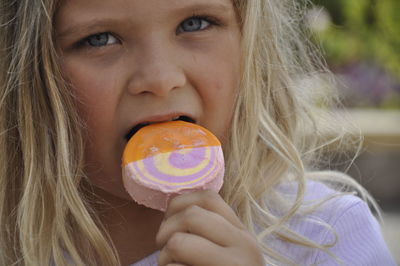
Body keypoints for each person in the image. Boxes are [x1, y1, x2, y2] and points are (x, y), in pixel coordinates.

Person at [0, 0, 396, 265]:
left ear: (250, 45)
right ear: (28, 77)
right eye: (100, 39)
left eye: (194, 23)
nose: (160, 78)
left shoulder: (327, 237)